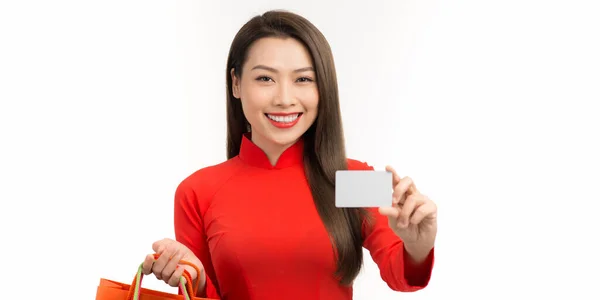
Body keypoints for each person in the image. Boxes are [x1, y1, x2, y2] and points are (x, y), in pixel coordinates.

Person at [141, 9, 437, 300]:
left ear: (323, 88)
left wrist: (417, 246)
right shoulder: (197, 192)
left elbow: (401, 275)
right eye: (265, 79)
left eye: (303, 80)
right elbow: (202, 295)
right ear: (236, 83)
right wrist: (199, 281)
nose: (284, 99)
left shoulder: (353, 180)